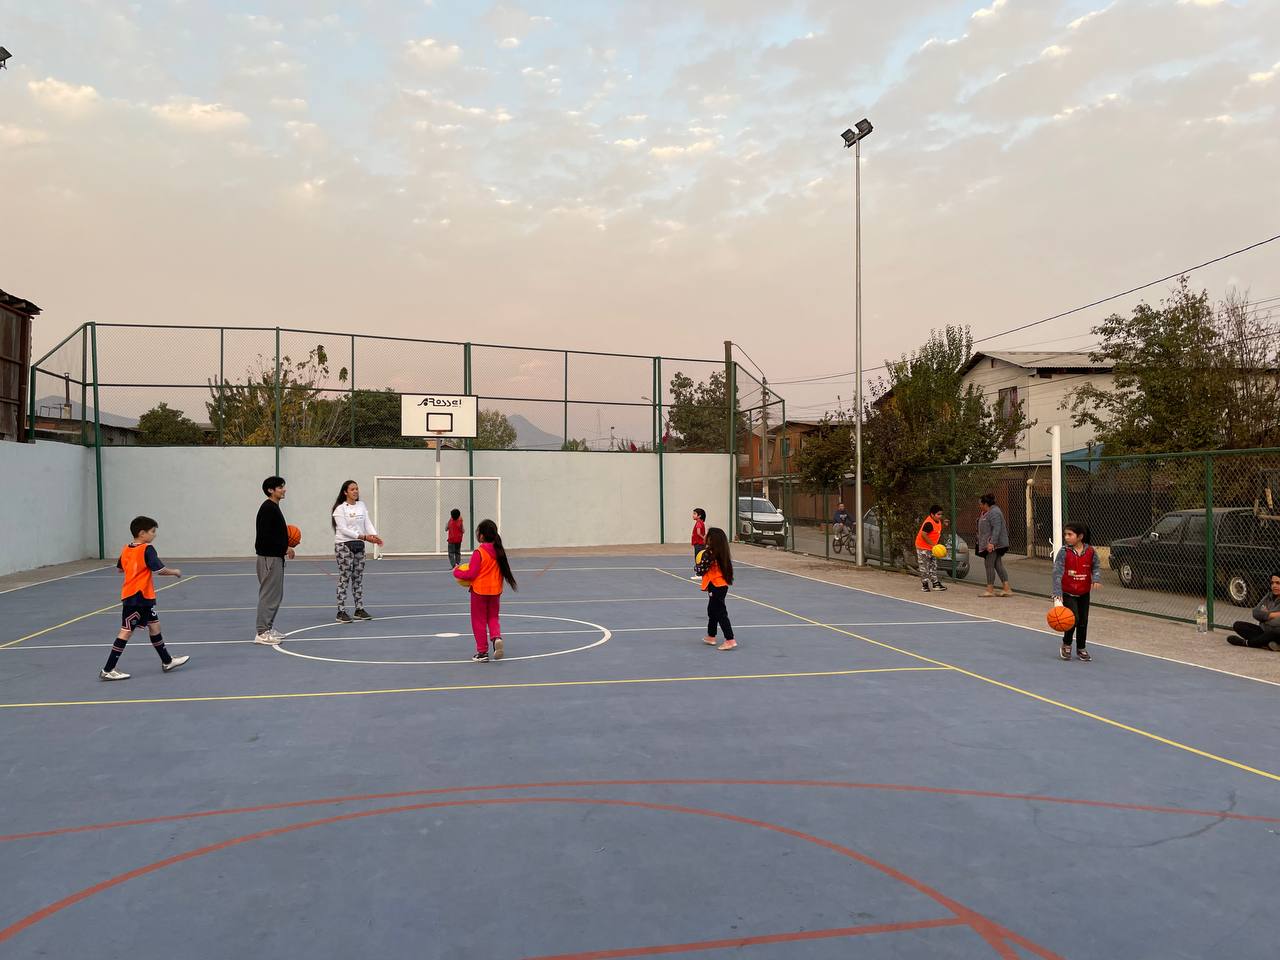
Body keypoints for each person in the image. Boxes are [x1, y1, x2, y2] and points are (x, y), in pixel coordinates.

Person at [100, 516, 188, 680]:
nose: (154, 535)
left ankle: (167, 661)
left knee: (155, 626)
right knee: (126, 631)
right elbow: (159, 570)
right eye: (152, 531)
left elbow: (120, 568)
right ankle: (108, 669)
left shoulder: (126, 548)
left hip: (139, 596)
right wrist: (175, 572)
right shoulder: (147, 549)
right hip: (137, 597)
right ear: (142, 533)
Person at [453, 518, 518, 662]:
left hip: (479, 592)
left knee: (479, 621)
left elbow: (471, 574)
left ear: (481, 536)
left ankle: (482, 652)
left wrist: (457, 572)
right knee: (493, 617)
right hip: (495, 591)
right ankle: (496, 638)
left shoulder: (479, 552)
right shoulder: (499, 551)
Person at [331, 480, 384, 623]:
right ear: (345, 492)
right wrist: (363, 537)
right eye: (352, 489)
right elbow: (343, 529)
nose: (355, 491)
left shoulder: (361, 505)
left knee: (358, 578)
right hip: (344, 545)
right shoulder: (340, 509)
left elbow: (367, 522)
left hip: (359, 545)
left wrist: (374, 536)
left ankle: (359, 609)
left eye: (357, 489)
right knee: (345, 577)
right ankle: (341, 611)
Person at [1051, 522, 1102, 661]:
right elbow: (1057, 572)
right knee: (1073, 619)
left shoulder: (1090, 551)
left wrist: (1096, 578)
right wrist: (1057, 592)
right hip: (1068, 592)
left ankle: (1081, 648)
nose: (1066, 537)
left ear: (1080, 536)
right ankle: (1066, 644)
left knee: (1083, 621)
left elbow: (1096, 566)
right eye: (1065, 534)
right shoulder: (1064, 552)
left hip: (1084, 593)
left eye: (1070, 534)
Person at [254, 475, 294, 645]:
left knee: (275, 595)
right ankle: (262, 632)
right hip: (269, 558)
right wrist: (284, 547)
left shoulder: (273, 507)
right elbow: (266, 537)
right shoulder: (268, 508)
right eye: (280, 487)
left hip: (274, 557)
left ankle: (267, 628)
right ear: (271, 490)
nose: (284, 490)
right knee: (268, 595)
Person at [697, 527, 736, 651]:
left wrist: (697, 565)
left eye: (707, 535)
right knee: (712, 610)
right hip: (721, 585)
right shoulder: (721, 553)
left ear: (711, 539)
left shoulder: (709, 553)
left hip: (715, 586)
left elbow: (700, 570)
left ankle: (730, 639)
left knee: (720, 612)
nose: (705, 536)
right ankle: (711, 636)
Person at [1226, 573, 1280, 650]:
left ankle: (1246, 643)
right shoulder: (1269, 595)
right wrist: (1272, 615)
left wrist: (1264, 616)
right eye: (1272, 583)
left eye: (1278, 583)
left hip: (1276, 633)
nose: (1274, 586)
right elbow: (1255, 612)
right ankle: (1269, 644)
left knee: (1272, 634)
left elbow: (1277, 622)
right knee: (1238, 625)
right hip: (1264, 631)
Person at [977, 493, 1011, 597]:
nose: (979, 505)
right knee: (998, 564)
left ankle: (990, 589)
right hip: (990, 543)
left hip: (994, 544)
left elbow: (997, 528)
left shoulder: (994, 512)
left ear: (985, 504)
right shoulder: (986, 512)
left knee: (989, 564)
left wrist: (992, 543)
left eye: (980, 504)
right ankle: (1007, 588)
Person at [915, 504, 948, 593]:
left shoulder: (938, 521)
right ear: (932, 514)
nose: (940, 516)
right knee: (924, 566)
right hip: (923, 547)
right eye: (938, 514)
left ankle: (935, 583)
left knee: (933, 566)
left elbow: (935, 531)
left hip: (932, 547)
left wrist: (944, 524)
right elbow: (923, 534)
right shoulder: (929, 523)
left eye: (941, 514)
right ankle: (925, 585)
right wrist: (933, 545)